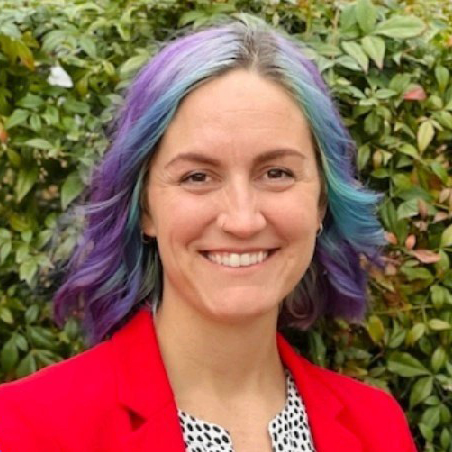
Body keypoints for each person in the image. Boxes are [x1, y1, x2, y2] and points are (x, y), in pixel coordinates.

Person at [0, 16, 417, 452]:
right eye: (197, 176)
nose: (241, 219)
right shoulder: (26, 429)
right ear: (145, 208)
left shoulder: (377, 426)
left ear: (321, 202)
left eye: (276, 172)